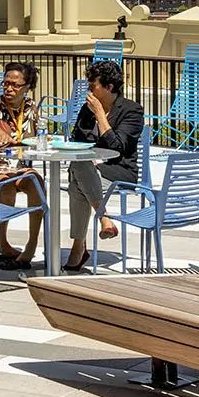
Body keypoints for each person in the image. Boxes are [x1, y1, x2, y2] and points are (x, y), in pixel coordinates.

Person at [60, 60, 144, 273]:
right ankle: (103, 218)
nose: (89, 90)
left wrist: (99, 114)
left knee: (77, 178)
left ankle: (79, 246)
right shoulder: (86, 110)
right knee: (79, 168)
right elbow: (77, 140)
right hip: (91, 170)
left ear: (109, 87)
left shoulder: (132, 111)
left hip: (119, 171)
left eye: (93, 86)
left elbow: (119, 147)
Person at [0, 61, 47, 269]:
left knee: (37, 183)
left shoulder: (30, 107)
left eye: (15, 85)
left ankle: (32, 244)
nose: (9, 88)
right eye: (6, 83)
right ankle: (2, 242)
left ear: (26, 87)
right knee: (7, 183)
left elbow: (37, 136)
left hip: (19, 164)